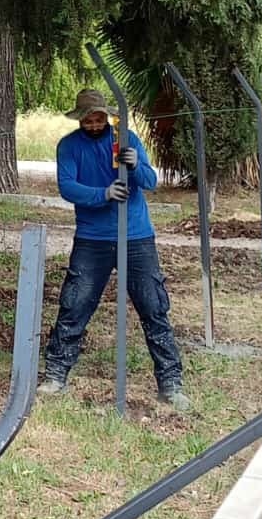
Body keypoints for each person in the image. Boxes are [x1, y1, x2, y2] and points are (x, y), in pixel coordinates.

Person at [39, 88, 189, 410]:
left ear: (107, 116)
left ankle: (170, 382)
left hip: (136, 237)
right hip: (93, 238)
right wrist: (103, 194)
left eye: (98, 119)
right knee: (74, 304)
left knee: (154, 307)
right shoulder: (69, 147)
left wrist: (134, 166)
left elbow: (150, 182)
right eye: (87, 121)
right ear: (79, 120)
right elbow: (68, 187)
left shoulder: (127, 140)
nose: (93, 125)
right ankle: (55, 374)